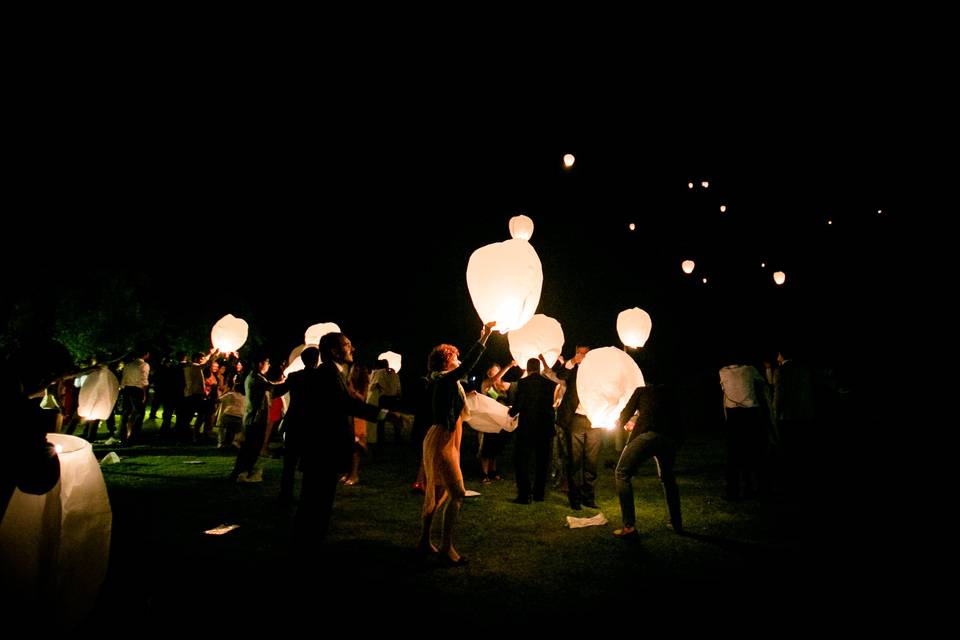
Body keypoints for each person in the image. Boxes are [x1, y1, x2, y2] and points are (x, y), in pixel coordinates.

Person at [292, 333, 399, 546]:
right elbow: (346, 405)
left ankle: (307, 539)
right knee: (317, 500)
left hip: (323, 449)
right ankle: (307, 542)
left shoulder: (334, 373)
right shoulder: (328, 374)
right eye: (347, 345)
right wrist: (385, 415)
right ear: (334, 351)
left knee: (316, 499)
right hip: (322, 451)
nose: (352, 349)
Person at [417, 321, 496, 566]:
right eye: (455, 358)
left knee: (439, 494)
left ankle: (423, 541)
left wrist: (468, 398)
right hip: (442, 440)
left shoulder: (447, 383)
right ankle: (447, 547)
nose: (459, 361)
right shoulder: (444, 380)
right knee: (457, 494)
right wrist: (484, 338)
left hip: (446, 438)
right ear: (446, 361)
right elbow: (468, 365)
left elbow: (454, 401)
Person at [612, 384, 683, 538]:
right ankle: (676, 523)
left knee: (621, 473)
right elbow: (678, 416)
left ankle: (629, 526)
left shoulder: (642, 391)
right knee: (667, 478)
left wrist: (623, 423)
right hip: (669, 438)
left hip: (647, 435)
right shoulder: (671, 391)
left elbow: (626, 413)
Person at [507, 356, 558, 504]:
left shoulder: (522, 383)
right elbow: (552, 404)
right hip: (545, 428)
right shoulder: (550, 384)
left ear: (528, 369)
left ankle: (524, 495)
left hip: (527, 428)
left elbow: (519, 404)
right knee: (542, 462)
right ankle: (539, 494)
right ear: (539, 368)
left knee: (522, 461)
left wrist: (511, 412)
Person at [556, 345, 600, 510]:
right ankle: (574, 499)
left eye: (585, 353)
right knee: (574, 461)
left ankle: (588, 497)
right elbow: (561, 375)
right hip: (575, 419)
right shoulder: (573, 370)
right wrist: (573, 361)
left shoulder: (598, 373)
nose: (583, 356)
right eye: (579, 353)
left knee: (591, 461)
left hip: (594, 420)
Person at [719, 360, 769, 500]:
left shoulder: (723, 372)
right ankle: (756, 487)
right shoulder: (750, 370)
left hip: (734, 415)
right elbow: (762, 384)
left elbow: (725, 392)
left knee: (734, 455)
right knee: (754, 452)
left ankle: (733, 490)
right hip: (751, 413)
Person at [478, 360, 515, 483]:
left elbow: (519, 384)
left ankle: (493, 470)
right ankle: (484, 473)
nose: (495, 374)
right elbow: (494, 379)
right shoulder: (486, 384)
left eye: (497, 371)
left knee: (496, 446)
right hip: (489, 419)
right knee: (487, 446)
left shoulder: (503, 386)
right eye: (493, 372)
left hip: (501, 420)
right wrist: (509, 365)